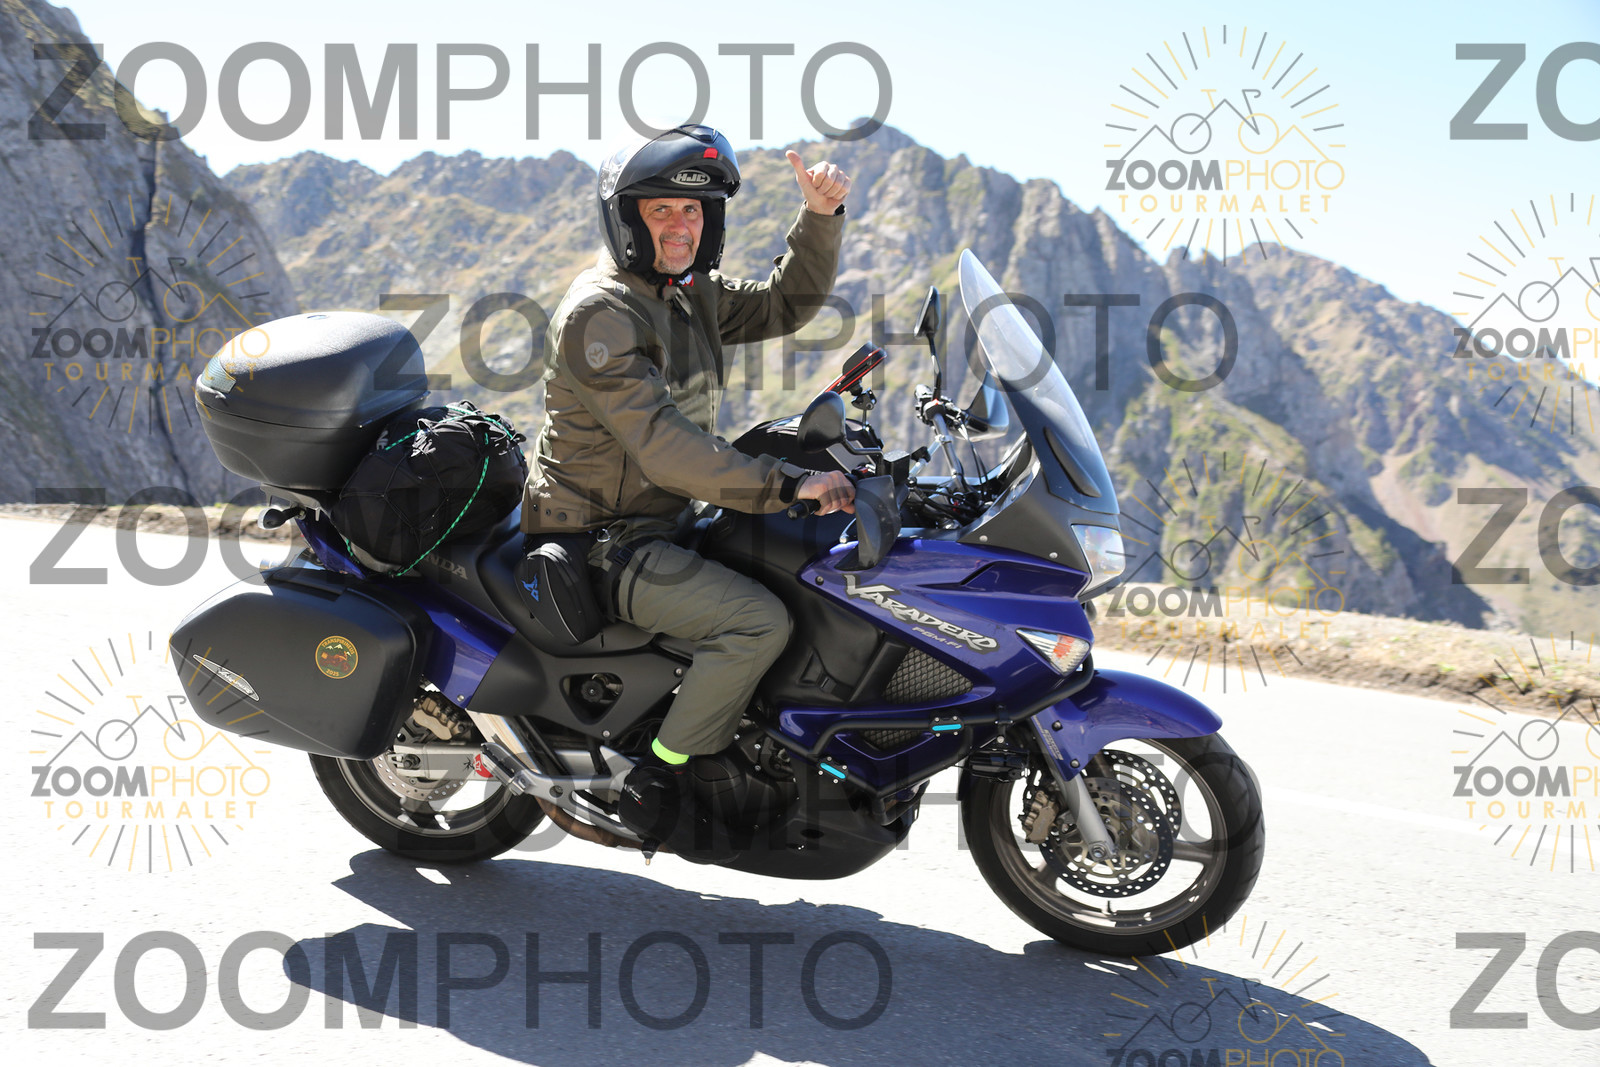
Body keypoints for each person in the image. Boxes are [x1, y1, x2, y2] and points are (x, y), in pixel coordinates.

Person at [521, 123, 855, 860]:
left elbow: (782, 306)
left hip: (667, 518)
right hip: (603, 537)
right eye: (662, 209)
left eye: (694, 210)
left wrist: (819, 218)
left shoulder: (686, 291)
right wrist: (790, 484)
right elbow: (666, 447)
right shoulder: (602, 314)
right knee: (756, 623)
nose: (681, 225)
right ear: (627, 219)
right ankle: (661, 775)